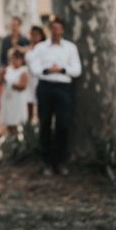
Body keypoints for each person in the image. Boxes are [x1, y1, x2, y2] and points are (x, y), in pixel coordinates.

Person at [29, 17, 81, 177]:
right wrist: (47, 70)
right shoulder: (40, 48)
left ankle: (60, 161)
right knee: (44, 124)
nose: (55, 31)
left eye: (58, 28)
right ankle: (47, 162)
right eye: (53, 28)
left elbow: (77, 69)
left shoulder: (70, 48)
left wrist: (62, 69)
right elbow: (33, 66)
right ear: (50, 29)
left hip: (63, 87)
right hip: (46, 86)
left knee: (63, 124)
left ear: (63, 30)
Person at [0, 49, 30, 154]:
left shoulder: (24, 71)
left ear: (21, 59)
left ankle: (19, 146)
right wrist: (0, 76)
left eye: (16, 58)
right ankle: (10, 145)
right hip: (7, 99)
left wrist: (8, 81)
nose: (14, 61)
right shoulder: (8, 69)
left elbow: (22, 86)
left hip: (17, 100)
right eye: (12, 59)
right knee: (7, 122)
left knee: (17, 122)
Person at [25, 25, 47, 123]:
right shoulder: (30, 47)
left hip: (40, 79)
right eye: (32, 35)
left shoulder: (44, 48)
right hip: (30, 79)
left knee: (40, 104)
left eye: (36, 35)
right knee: (29, 102)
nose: (34, 37)